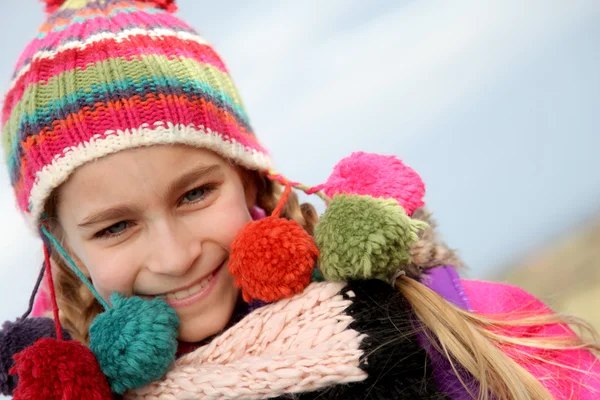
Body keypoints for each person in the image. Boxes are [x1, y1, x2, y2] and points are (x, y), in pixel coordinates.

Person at [1, 0, 598, 399]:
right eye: (115, 228)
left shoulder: (434, 321)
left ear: (251, 178)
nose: (175, 255)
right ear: (62, 250)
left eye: (196, 193)